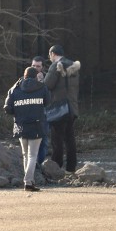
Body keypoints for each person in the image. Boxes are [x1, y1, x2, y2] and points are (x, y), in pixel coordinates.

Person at [3, 66, 51, 192]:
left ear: (24, 76)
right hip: (37, 126)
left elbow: (8, 108)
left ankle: (29, 181)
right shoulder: (42, 87)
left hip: (21, 126)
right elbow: (48, 102)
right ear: (36, 76)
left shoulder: (15, 89)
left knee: (25, 155)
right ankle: (28, 182)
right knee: (32, 155)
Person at [43, 44, 81, 173]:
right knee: (70, 138)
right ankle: (71, 167)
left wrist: (41, 79)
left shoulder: (55, 66)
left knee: (57, 139)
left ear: (53, 54)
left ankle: (57, 167)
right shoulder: (73, 66)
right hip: (72, 107)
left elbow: (48, 85)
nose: (50, 58)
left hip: (59, 108)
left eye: (50, 55)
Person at [30, 55, 49, 167]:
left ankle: (40, 164)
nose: (35, 68)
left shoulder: (47, 78)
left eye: (38, 66)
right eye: (33, 66)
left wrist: (42, 82)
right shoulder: (25, 78)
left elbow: (48, 96)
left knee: (43, 142)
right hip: (30, 114)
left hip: (43, 114)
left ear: (42, 67)